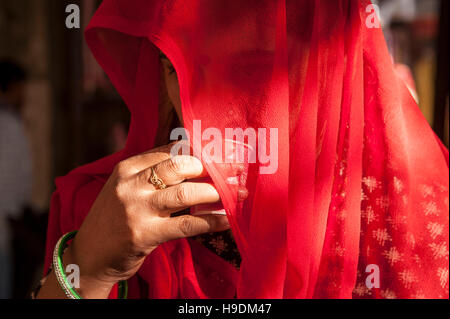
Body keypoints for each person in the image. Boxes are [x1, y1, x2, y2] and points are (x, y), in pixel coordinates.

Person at [37, 0, 448, 299]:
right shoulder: (104, 210)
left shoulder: (412, 218)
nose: (208, 109)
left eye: (251, 69)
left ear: (330, 72)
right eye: (180, 68)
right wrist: (88, 271)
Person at [0, 60, 32, 298]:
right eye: (21, 87)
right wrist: (13, 217)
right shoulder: (6, 126)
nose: (25, 95)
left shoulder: (11, 122)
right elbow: (6, 177)